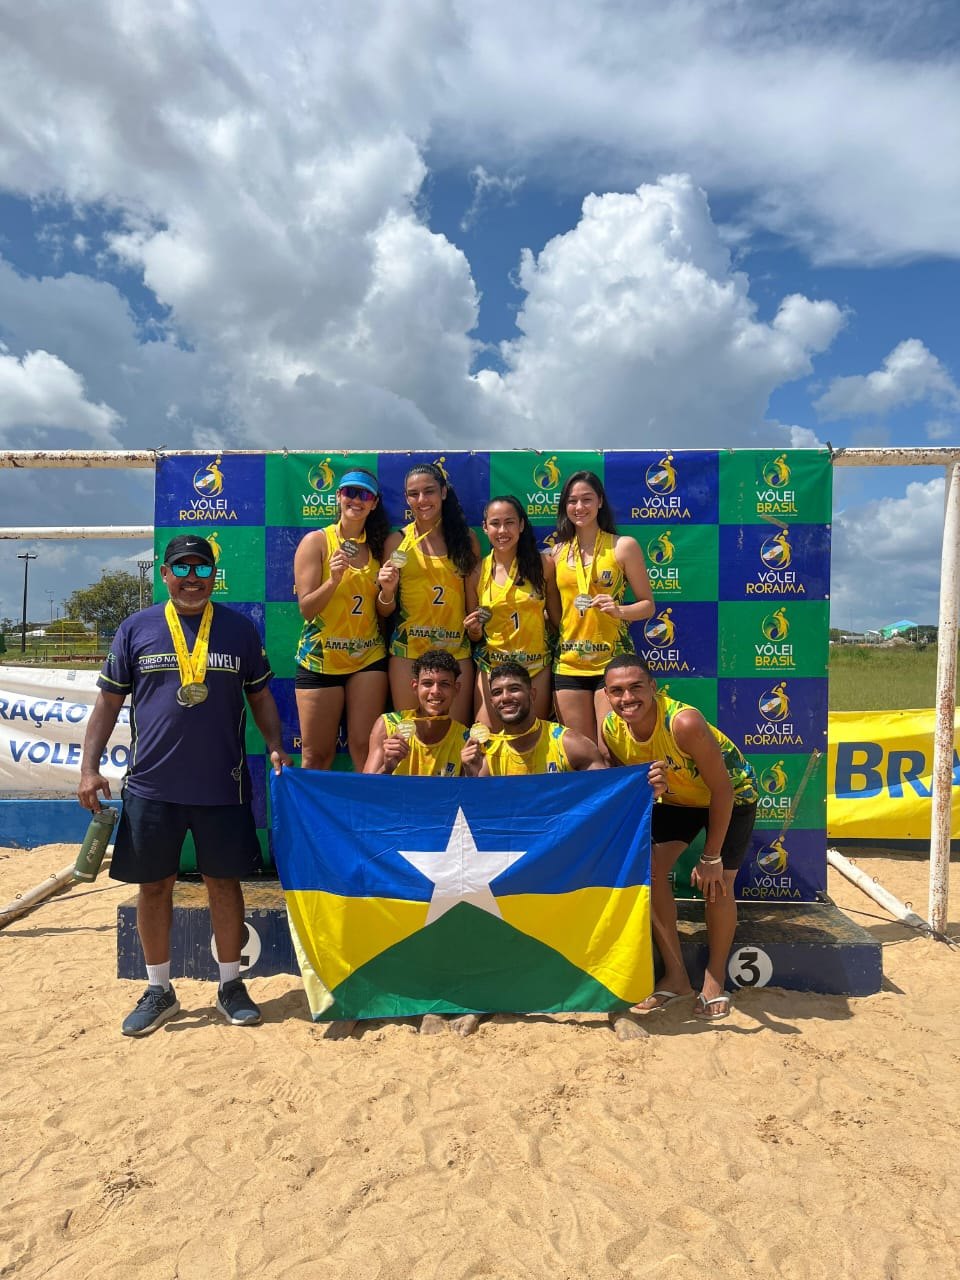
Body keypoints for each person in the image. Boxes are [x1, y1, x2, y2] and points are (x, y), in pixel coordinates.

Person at [77, 534, 291, 1037]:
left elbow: (261, 697)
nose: (192, 579)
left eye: (202, 569)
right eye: (182, 569)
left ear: (214, 575)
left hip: (223, 784)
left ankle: (231, 985)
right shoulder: (136, 629)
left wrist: (276, 744)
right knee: (154, 887)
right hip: (152, 785)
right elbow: (107, 704)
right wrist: (89, 769)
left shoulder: (239, 629)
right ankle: (159, 990)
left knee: (224, 884)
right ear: (165, 574)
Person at [601, 655, 759, 1021]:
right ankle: (676, 978)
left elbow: (722, 790)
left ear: (654, 687)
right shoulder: (612, 728)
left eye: (636, 687)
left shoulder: (683, 722)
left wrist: (711, 857)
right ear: (607, 696)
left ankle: (714, 978)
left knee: (718, 883)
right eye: (617, 691)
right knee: (650, 874)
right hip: (679, 800)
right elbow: (637, 783)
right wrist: (650, 787)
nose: (627, 698)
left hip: (731, 796)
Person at [293, 468, 394, 772]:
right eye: (350, 492)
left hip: (367, 657)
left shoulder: (379, 546)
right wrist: (333, 580)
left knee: (365, 749)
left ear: (374, 503)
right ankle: (311, 821)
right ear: (338, 496)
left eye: (364, 495)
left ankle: (364, 819)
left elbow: (384, 612)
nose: (356, 500)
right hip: (320, 659)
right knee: (316, 756)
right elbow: (307, 609)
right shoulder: (317, 542)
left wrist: (387, 592)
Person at [550, 471, 654, 744]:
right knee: (582, 753)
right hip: (568, 665)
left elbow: (647, 606)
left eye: (587, 499)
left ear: (600, 502)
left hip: (612, 664)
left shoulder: (623, 547)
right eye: (572, 501)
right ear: (565, 506)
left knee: (611, 750)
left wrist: (620, 611)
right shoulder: (556, 553)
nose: (579, 507)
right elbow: (554, 612)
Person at [383, 462, 479, 727]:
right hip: (408, 652)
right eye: (414, 494)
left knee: (455, 738)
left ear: (444, 493)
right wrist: (387, 592)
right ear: (406, 499)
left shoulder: (466, 539)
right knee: (409, 736)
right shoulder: (396, 541)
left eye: (429, 491)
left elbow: (473, 603)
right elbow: (383, 610)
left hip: (455, 651)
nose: (422, 500)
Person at [465, 495, 560, 727]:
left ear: (521, 525)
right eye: (495, 523)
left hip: (535, 667)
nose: (502, 530)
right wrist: (474, 630)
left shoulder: (543, 565)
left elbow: (558, 620)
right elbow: (474, 635)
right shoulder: (476, 572)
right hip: (493, 668)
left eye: (509, 522)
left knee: (533, 739)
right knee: (485, 741)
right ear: (485, 528)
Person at [461, 660, 605, 776]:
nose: (505, 697)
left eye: (514, 689)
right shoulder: (489, 757)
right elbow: (483, 807)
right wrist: (472, 775)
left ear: (532, 694)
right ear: (492, 703)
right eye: (497, 692)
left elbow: (602, 796)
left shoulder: (569, 744)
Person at [364, 648, 468, 776]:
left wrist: (472, 770)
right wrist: (388, 767)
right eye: (427, 683)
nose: (435, 691)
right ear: (415, 687)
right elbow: (365, 789)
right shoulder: (387, 725)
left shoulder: (465, 738)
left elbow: (468, 793)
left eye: (444, 684)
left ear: (456, 689)